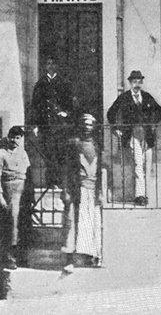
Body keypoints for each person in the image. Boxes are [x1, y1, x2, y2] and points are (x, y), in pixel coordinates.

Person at [106, 70, 161, 205]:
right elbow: (111, 113)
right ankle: (140, 196)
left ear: (142, 82)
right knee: (138, 164)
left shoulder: (147, 96)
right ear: (130, 83)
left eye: (139, 81)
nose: (137, 84)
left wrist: (152, 124)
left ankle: (145, 194)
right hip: (133, 135)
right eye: (134, 82)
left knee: (146, 165)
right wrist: (116, 129)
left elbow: (160, 111)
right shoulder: (124, 97)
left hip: (147, 136)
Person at [61, 113, 103, 273]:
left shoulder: (96, 145)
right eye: (85, 124)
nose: (87, 128)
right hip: (76, 188)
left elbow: (99, 170)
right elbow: (66, 169)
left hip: (92, 190)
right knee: (72, 223)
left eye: (90, 125)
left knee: (92, 223)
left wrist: (100, 191)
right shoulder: (74, 144)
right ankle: (69, 259)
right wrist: (65, 190)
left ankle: (92, 256)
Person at [30, 57, 76, 187]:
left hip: (60, 125)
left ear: (56, 66)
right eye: (48, 63)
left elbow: (71, 104)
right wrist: (35, 124)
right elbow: (35, 105)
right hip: (45, 125)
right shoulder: (40, 83)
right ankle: (51, 182)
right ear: (45, 66)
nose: (50, 66)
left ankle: (61, 182)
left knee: (60, 153)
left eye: (52, 63)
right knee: (48, 154)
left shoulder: (64, 83)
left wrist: (66, 113)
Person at [0, 125, 31, 270]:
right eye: (13, 137)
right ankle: (10, 257)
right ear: (8, 137)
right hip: (9, 190)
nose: (15, 140)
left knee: (24, 222)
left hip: (23, 190)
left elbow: (28, 172)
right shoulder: (1, 153)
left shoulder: (23, 153)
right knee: (12, 222)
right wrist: (0, 196)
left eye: (18, 138)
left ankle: (22, 256)